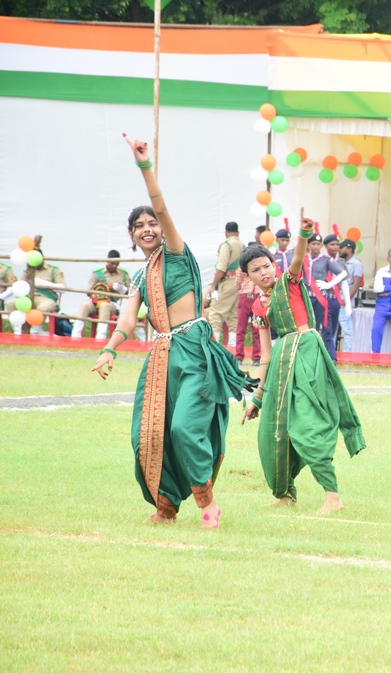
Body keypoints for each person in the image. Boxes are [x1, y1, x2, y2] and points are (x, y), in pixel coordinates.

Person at [91, 134, 254, 527]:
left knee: (183, 427)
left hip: (194, 351)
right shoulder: (140, 274)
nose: (147, 228)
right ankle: (165, 508)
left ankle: (207, 503)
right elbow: (128, 320)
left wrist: (144, 166)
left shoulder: (177, 254)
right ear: (131, 237)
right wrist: (109, 349)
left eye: (151, 224)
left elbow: (162, 205)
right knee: (148, 435)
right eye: (138, 226)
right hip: (162, 359)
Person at [240, 218, 365, 513]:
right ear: (248, 278)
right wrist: (257, 397)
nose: (264, 272)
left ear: (274, 264)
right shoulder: (259, 306)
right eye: (255, 270)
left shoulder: (289, 281)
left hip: (307, 354)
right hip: (282, 364)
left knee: (308, 426)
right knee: (272, 432)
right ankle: (285, 496)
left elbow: (297, 258)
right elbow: (266, 354)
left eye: (266, 265)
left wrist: (304, 234)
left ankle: (332, 497)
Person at [72, 251, 130, 340]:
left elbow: (131, 292)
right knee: (85, 305)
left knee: (105, 306)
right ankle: (75, 335)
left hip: (112, 303)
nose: (115, 266)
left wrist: (119, 288)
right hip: (95, 301)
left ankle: (100, 337)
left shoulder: (124, 275)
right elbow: (88, 292)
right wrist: (99, 287)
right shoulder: (97, 273)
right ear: (107, 261)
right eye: (113, 263)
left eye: (117, 264)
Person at [306, 235, 346, 361]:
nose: (316, 246)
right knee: (305, 327)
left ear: (321, 246)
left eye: (318, 244)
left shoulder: (326, 260)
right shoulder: (303, 259)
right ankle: (307, 354)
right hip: (306, 297)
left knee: (320, 327)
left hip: (320, 298)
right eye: (313, 244)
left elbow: (343, 273)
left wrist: (329, 284)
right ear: (308, 245)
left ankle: (322, 356)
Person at [205, 222, 242, 346]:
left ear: (226, 233)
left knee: (216, 313)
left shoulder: (227, 245)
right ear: (238, 232)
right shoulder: (243, 246)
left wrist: (213, 286)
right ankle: (233, 347)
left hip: (227, 281)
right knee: (233, 316)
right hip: (239, 283)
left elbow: (221, 268)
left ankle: (214, 345)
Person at [233, 244, 264, 366]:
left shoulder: (261, 267)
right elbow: (238, 283)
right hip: (245, 297)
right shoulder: (242, 267)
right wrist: (243, 291)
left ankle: (256, 357)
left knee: (257, 328)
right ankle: (239, 356)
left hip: (257, 297)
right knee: (241, 328)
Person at [337, 238, 364, 349]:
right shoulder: (339, 261)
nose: (339, 250)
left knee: (346, 330)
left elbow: (356, 284)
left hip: (345, 303)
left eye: (341, 248)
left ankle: (347, 355)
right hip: (336, 300)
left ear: (349, 249)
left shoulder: (356, 263)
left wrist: (346, 301)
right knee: (332, 330)